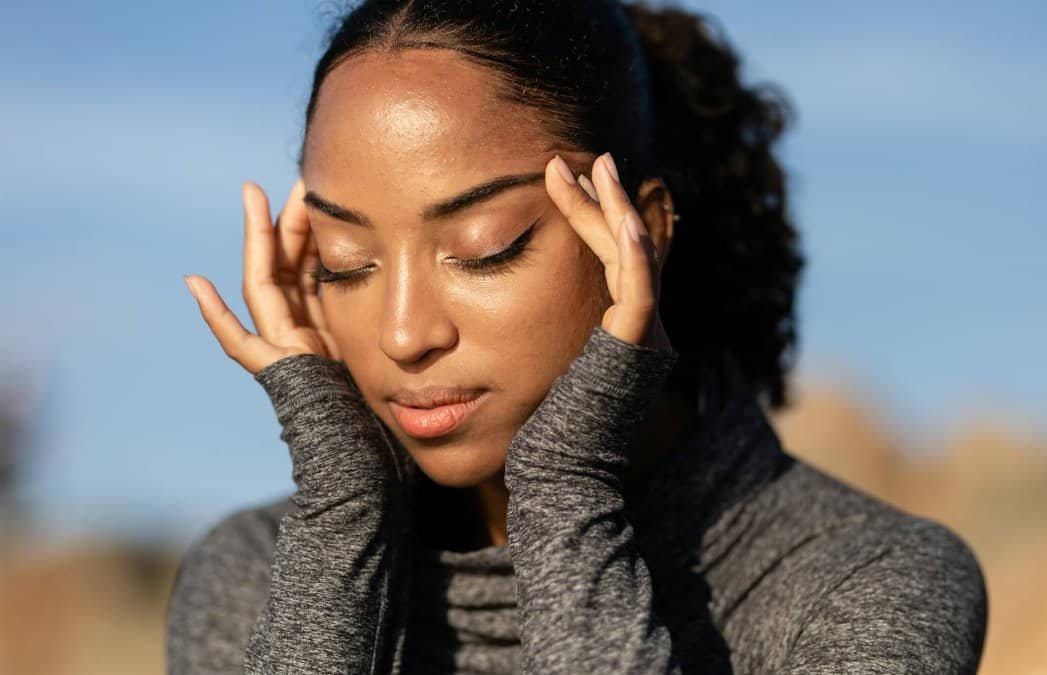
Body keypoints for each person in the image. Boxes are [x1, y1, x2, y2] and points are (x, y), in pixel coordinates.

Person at [167, 1, 989, 673]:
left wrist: (561, 489)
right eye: (347, 263)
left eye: (486, 249)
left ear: (644, 233)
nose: (405, 333)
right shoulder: (254, 572)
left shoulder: (864, 580)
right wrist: (344, 515)